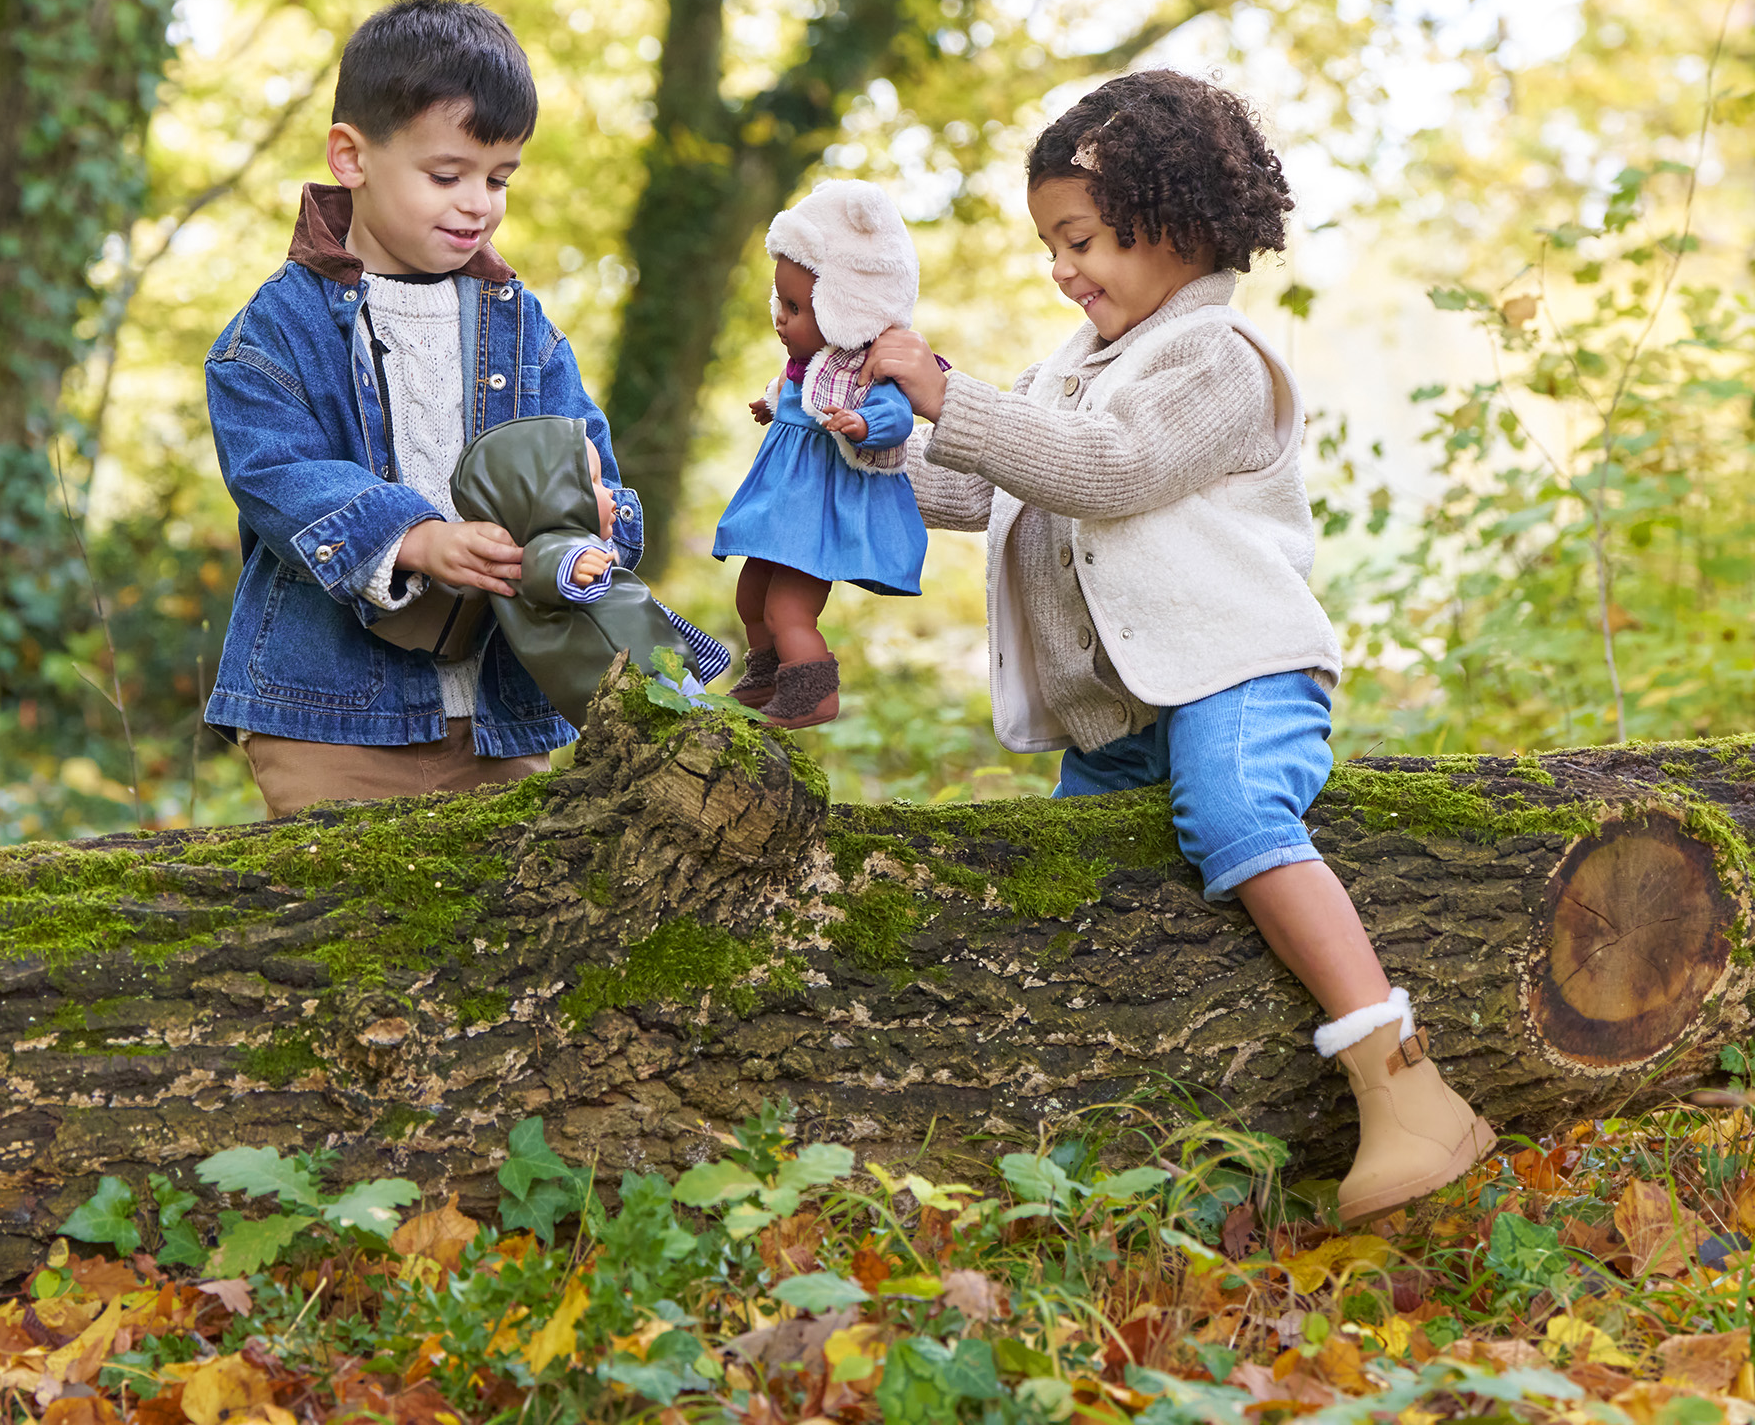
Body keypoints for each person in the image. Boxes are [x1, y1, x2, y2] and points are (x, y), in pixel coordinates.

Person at [864, 69, 1494, 1224]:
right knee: (1082, 883)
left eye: (1083, 237)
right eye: (1051, 243)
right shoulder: (1072, 368)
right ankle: (1122, 1129)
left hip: (1237, 669)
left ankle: (1405, 1084)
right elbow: (992, 486)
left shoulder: (1213, 360)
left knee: (1234, 816)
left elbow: (1105, 469)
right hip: (1115, 708)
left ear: (1179, 221)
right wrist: (854, 450)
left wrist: (949, 391)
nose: (1062, 266)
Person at [203, 0, 643, 819]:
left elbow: (596, 475)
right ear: (351, 157)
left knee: (497, 923)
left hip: (499, 716)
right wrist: (415, 538)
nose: (478, 202)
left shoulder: (524, 327)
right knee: (344, 919)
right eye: (447, 175)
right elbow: (276, 472)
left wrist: (596, 517)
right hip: (329, 717)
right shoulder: (278, 329)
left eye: (499, 177)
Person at [712, 180, 930, 729]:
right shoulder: (805, 368)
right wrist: (771, 405)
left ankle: (813, 690)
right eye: (778, 302)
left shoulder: (862, 368)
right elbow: (796, 396)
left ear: (845, 310)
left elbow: (898, 415)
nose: (781, 319)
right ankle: (768, 675)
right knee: (751, 594)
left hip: (817, 521)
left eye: (796, 307)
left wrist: (863, 425)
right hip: (782, 509)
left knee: (789, 606)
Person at [450, 418, 729, 729]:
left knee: (702, 725)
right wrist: (574, 564)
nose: (610, 493)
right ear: (552, 497)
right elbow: (546, 565)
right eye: (594, 482)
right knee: (693, 729)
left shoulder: (572, 540)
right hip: (637, 676)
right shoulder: (546, 547)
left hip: (650, 666)